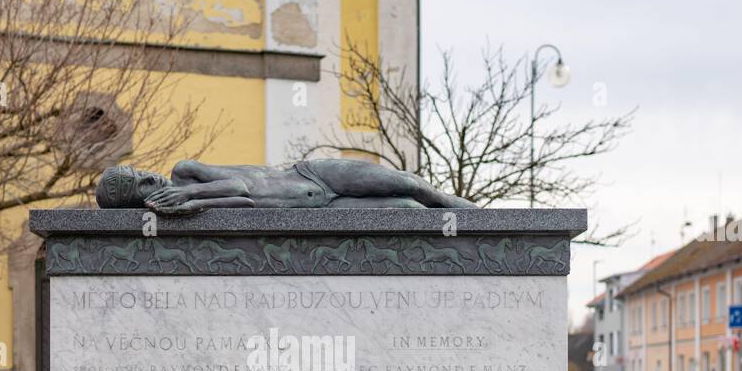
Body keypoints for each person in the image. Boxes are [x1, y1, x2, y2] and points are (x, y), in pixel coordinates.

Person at [95, 158, 477, 213]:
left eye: (140, 171)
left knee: (410, 184)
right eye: (139, 186)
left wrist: (190, 194)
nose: (149, 179)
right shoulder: (176, 206)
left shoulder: (184, 174)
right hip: (318, 209)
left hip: (312, 175)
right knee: (409, 210)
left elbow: (240, 184)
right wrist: (191, 207)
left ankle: (474, 217)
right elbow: (243, 206)